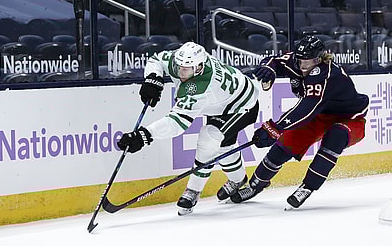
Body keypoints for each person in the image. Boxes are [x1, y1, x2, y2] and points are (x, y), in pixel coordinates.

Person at [117, 41, 260, 215]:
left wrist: (144, 135)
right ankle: (238, 180)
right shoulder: (182, 61)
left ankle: (193, 191)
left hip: (242, 106)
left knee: (208, 139)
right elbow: (157, 59)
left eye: (187, 69)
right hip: (223, 102)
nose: (181, 72)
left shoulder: (201, 85)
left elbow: (177, 122)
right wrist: (152, 79)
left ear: (199, 68)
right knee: (224, 146)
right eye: (179, 67)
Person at [230, 35, 369, 208]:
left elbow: (307, 107)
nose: (302, 66)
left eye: (308, 62)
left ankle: (308, 186)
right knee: (283, 147)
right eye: (300, 60)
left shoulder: (326, 74)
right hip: (319, 115)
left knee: (336, 136)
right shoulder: (297, 61)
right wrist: (269, 68)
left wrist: (276, 127)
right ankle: (255, 185)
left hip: (349, 117)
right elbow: (275, 60)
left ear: (319, 59)